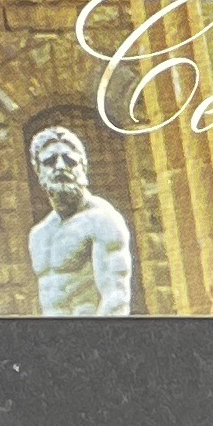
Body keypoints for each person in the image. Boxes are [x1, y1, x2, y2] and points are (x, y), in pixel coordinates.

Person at [27, 125, 135, 315]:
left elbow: (116, 298)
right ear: (39, 171)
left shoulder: (102, 220)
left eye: (70, 160)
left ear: (83, 167)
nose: (61, 166)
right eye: (50, 161)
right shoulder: (39, 234)